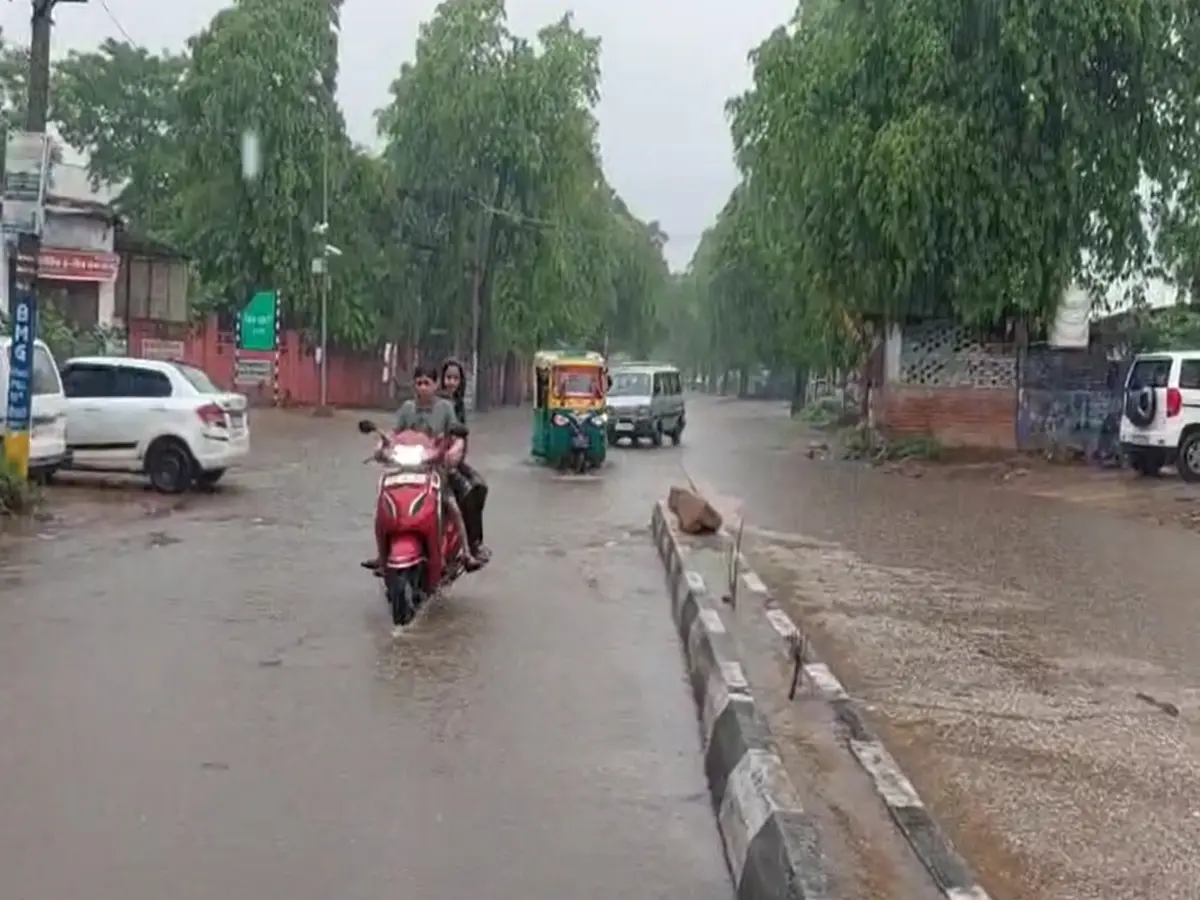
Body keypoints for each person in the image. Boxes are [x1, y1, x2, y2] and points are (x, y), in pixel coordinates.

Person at [363, 364, 479, 571]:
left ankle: (467, 553)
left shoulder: (445, 408)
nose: (423, 387)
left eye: (427, 383)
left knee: (451, 504)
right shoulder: (407, 409)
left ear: (436, 385)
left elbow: (457, 436)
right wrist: (380, 447)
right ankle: (382, 555)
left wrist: (454, 451)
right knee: (382, 503)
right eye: (419, 383)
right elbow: (393, 435)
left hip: (434, 468)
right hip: (405, 470)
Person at [440, 358, 489, 560]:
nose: (451, 382)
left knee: (478, 487)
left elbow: (462, 435)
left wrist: (456, 453)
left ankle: (474, 543)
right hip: (430, 460)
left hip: (453, 461)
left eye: (455, 378)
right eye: (448, 378)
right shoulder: (433, 403)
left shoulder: (458, 406)